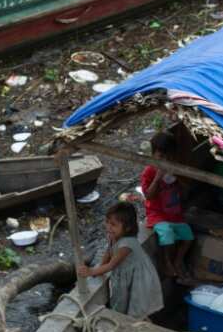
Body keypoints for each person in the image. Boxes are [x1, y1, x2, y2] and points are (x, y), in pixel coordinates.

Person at [77, 202, 163, 319]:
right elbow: (109, 251)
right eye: (107, 222)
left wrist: (91, 271)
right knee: (121, 299)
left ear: (127, 228)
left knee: (135, 304)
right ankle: (120, 315)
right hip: (126, 273)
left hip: (138, 277)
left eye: (113, 224)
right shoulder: (113, 235)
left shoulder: (126, 245)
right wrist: (99, 268)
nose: (108, 227)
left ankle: (131, 321)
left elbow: (111, 265)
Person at [141, 131, 194, 278]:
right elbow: (148, 196)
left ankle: (178, 260)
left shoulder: (175, 169)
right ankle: (167, 262)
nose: (166, 160)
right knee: (168, 234)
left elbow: (184, 193)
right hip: (156, 213)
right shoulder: (149, 172)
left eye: (169, 157)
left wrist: (178, 179)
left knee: (188, 236)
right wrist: (158, 178)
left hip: (174, 214)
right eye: (161, 157)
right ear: (153, 155)